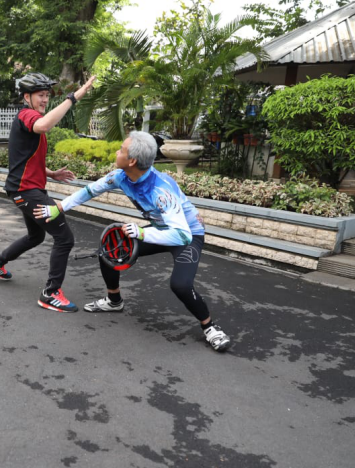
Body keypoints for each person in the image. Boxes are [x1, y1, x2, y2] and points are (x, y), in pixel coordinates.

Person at [36, 131, 231, 352]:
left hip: (187, 234)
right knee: (109, 249)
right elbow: (90, 190)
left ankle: (209, 327)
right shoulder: (121, 176)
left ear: (132, 161)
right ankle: (114, 301)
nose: (116, 151)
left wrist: (141, 233)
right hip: (161, 229)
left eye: (121, 149)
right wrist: (59, 207)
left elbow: (181, 235)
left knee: (180, 285)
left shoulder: (161, 191)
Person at [0, 72, 95, 313]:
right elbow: (44, 125)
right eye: (41, 95)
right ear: (27, 97)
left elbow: (25, 158)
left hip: (26, 188)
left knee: (36, 236)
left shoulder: (27, 119)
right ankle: (51, 293)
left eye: (46, 96)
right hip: (27, 191)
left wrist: (51, 173)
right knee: (65, 239)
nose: (45, 100)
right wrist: (73, 98)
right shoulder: (27, 115)